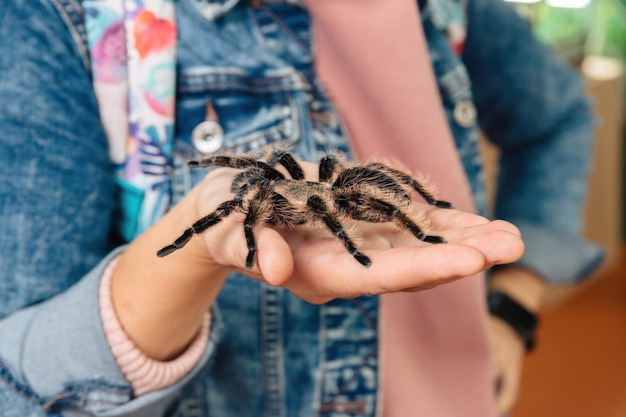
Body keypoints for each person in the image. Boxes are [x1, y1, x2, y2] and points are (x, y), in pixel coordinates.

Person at [0, 0, 601, 416]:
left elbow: (560, 119)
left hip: (461, 389)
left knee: (341, 185)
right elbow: (22, 386)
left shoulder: (447, 10)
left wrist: (513, 311)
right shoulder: (61, 20)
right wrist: (192, 248)